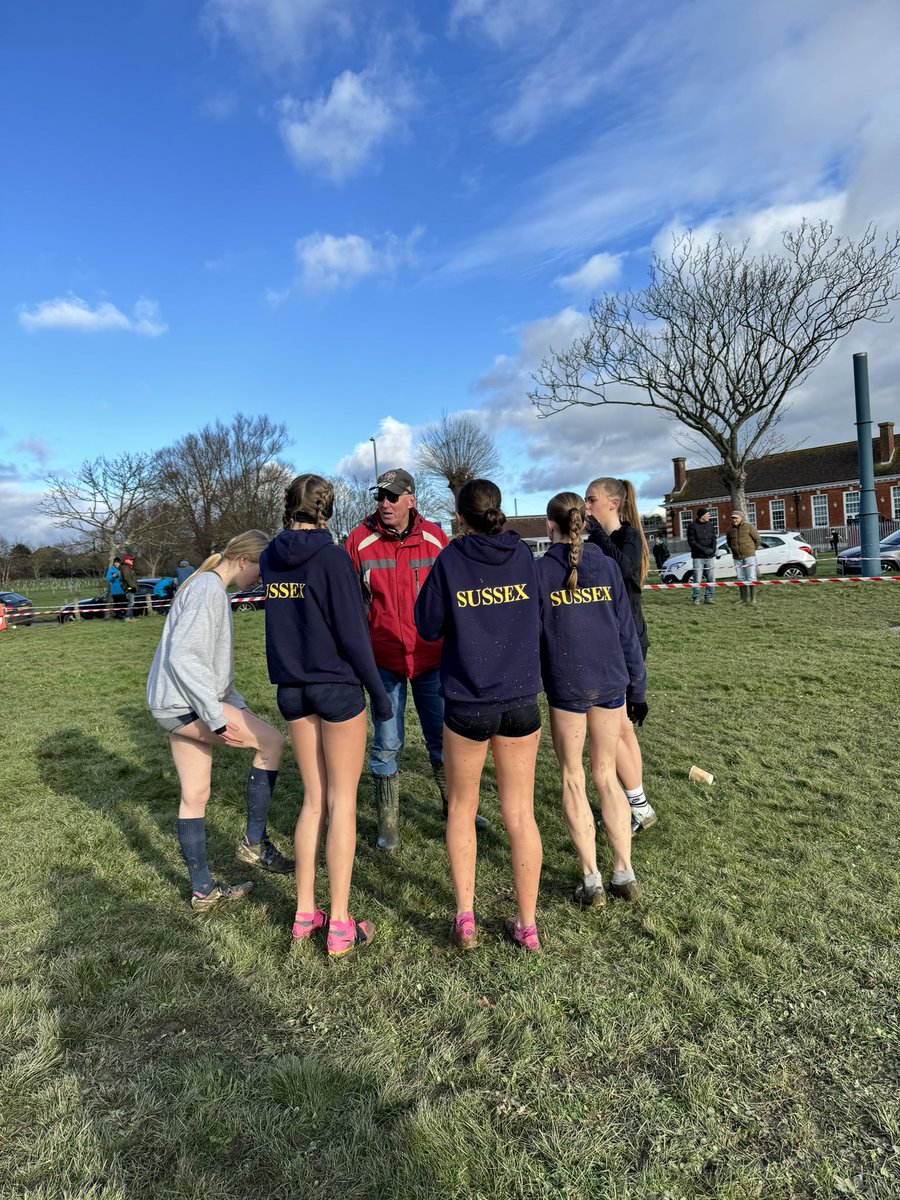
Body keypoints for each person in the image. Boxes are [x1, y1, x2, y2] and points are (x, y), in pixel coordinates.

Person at [262, 474, 393, 958]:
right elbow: (354, 635)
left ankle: (303, 913)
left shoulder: (271, 556)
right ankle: (339, 924)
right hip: (336, 688)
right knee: (341, 802)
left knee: (313, 800)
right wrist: (379, 697)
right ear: (327, 508)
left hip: (291, 688)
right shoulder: (333, 558)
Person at [415, 479, 543, 953]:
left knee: (462, 809)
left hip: (468, 703)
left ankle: (466, 917)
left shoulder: (450, 560)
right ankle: (527, 925)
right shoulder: (524, 557)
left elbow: (426, 625)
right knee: (520, 814)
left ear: (461, 515)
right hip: (519, 701)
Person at [146, 531, 293, 912]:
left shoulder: (209, 587)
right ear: (244, 560)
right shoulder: (209, 589)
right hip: (187, 706)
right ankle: (254, 843)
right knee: (273, 743)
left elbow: (210, 670)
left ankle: (202, 891)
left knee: (195, 795)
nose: (264, 578)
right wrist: (214, 716)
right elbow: (184, 658)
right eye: (263, 569)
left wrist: (234, 704)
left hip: (174, 705)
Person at [345, 468, 487, 852]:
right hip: (383, 661)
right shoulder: (358, 541)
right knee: (387, 743)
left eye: (392, 496)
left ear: (411, 498)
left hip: (432, 659)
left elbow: (456, 595)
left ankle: (454, 808)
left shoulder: (435, 539)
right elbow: (350, 606)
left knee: (443, 739)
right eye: (380, 497)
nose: (384, 504)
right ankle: (388, 825)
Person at [538, 493, 647, 905]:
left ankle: (592, 880)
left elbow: (535, 636)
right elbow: (627, 633)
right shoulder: (604, 564)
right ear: (582, 522)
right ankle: (624, 872)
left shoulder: (540, 571)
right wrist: (637, 686)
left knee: (574, 777)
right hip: (609, 681)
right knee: (606, 776)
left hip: (568, 685)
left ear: (551, 526)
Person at [584, 477, 656, 834]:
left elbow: (626, 572)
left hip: (628, 644)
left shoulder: (628, 537)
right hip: (608, 641)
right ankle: (637, 804)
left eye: (591, 500)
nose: (586, 507)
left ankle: (638, 807)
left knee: (620, 727)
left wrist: (595, 533)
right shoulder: (601, 542)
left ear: (613, 503)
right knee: (620, 728)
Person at [726, 510, 761, 604]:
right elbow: (729, 542)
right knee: (741, 578)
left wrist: (751, 550)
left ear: (741, 518)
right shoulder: (729, 529)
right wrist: (734, 550)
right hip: (737, 557)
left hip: (749, 556)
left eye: (736, 518)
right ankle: (743, 599)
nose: (734, 520)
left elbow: (757, 540)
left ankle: (753, 599)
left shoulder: (749, 526)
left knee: (751, 577)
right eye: (732, 518)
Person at [686, 507, 717, 606]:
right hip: (698, 557)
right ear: (702, 515)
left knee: (711, 578)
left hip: (710, 557)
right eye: (707, 514)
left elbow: (714, 539)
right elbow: (692, 542)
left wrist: (712, 550)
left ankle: (709, 597)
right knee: (697, 579)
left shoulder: (710, 526)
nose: (709, 516)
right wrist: (704, 550)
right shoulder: (692, 526)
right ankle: (696, 598)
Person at [120, 554, 139, 620]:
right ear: (126, 560)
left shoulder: (129, 567)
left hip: (130, 587)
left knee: (131, 602)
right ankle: (127, 617)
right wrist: (133, 586)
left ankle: (131, 617)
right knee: (131, 602)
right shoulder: (125, 567)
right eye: (131, 560)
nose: (132, 561)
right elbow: (127, 578)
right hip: (128, 587)